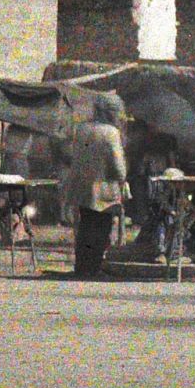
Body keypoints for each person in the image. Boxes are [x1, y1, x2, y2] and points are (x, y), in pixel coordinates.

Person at [65, 96, 129, 277]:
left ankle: (82, 267)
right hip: (103, 188)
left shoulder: (81, 129)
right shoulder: (111, 132)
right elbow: (118, 165)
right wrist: (122, 178)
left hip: (82, 186)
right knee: (101, 229)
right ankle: (94, 267)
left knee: (85, 226)